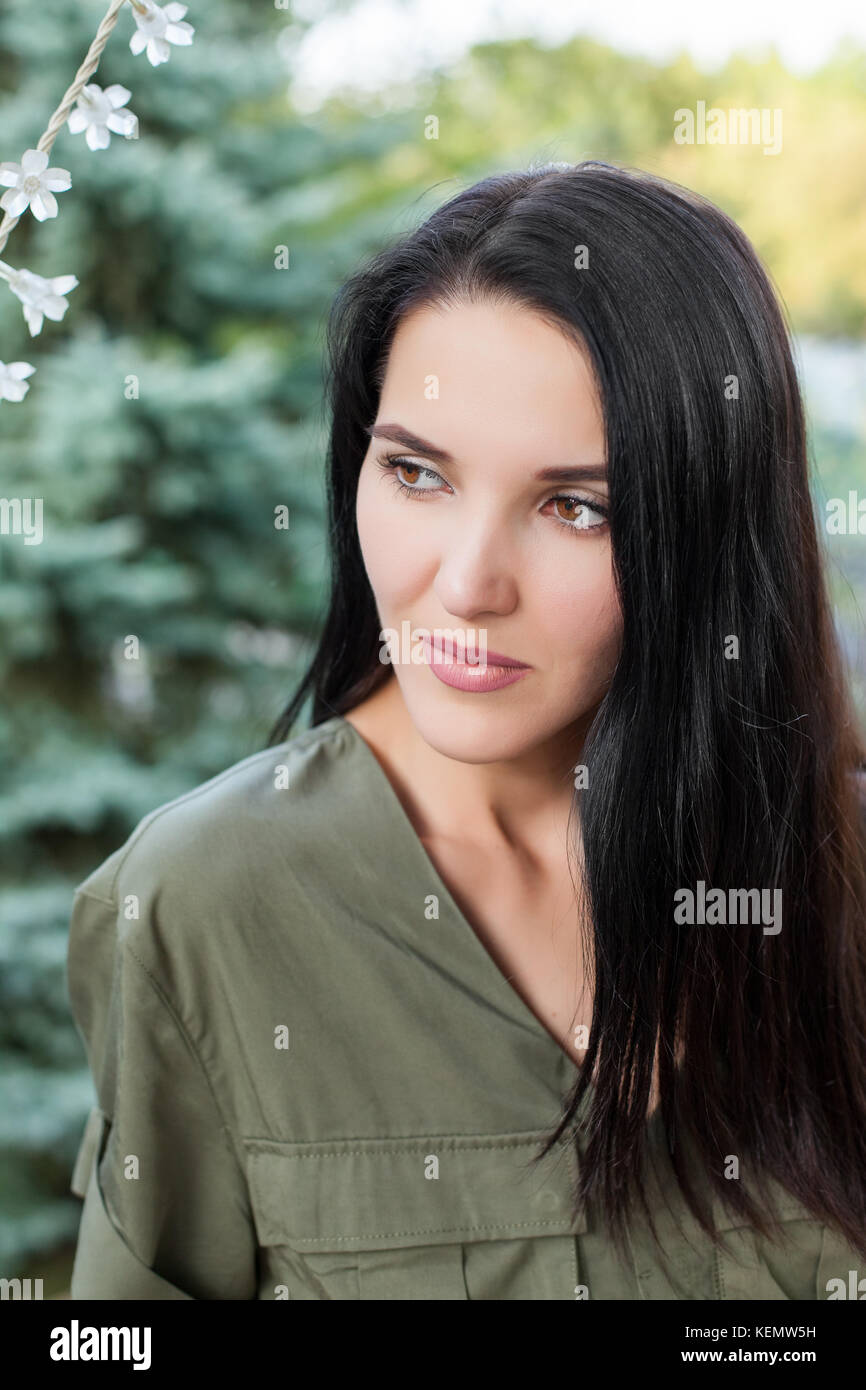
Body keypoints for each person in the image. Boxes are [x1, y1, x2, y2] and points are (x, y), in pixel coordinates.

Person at [66, 160, 866, 1300]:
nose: (465, 585)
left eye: (574, 506)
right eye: (415, 473)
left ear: (703, 526)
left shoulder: (834, 872)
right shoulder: (206, 904)